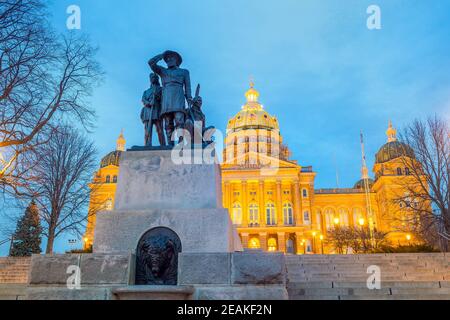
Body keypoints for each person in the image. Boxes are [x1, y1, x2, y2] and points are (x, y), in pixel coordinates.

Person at [148, 51, 192, 146]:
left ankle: (180, 143)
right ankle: (170, 145)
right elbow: (151, 63)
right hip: (166, 99)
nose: (169, 60)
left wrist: (189, 98)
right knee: (168, 124)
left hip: (178, 97)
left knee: (179, 121)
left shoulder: (184, 72)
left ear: (177, 60)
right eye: (167, 58)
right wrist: (161, 56)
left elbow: (187, 87)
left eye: (171, 58)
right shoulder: (163, 71)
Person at [141, 73, 166, 146]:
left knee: (159, 129)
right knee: (147, 129)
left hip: (157, 109)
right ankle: (147, 144)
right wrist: (148, 103)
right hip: (148, 111)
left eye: (155, 77)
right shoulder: (146, 91)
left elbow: (164, 98)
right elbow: (143, 99)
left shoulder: (161, 89)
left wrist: (157, 97)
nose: (153, 79)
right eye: (152, 78)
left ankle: (163, 144)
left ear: (157, 79)